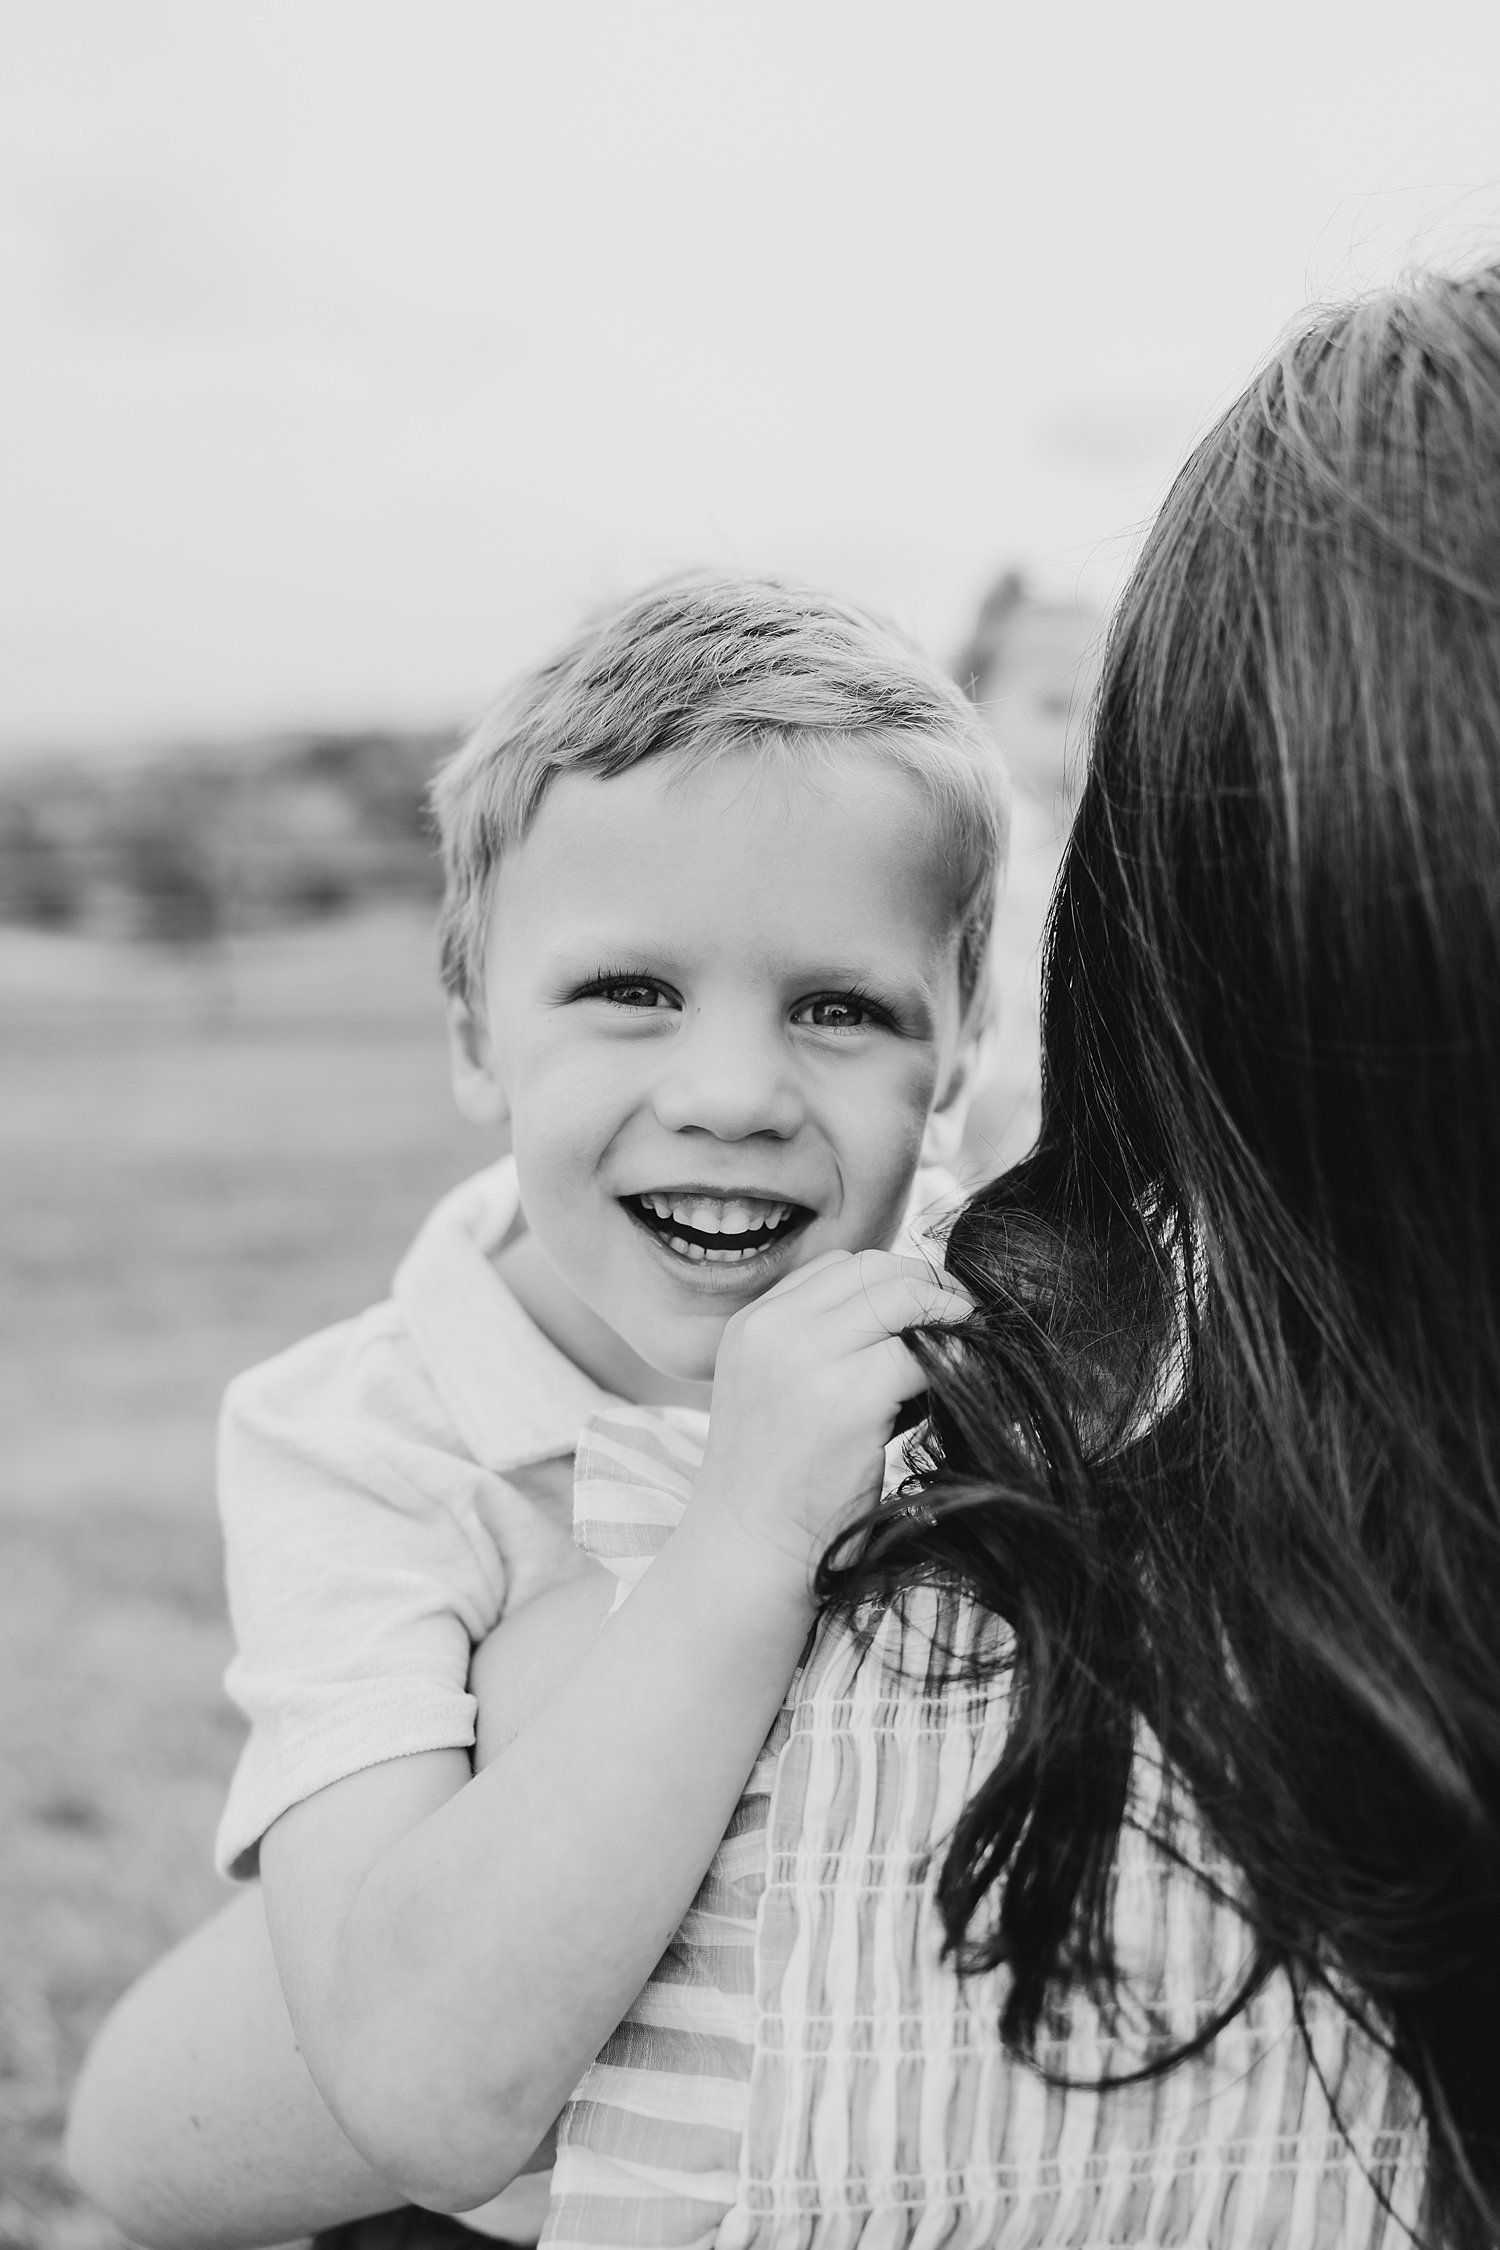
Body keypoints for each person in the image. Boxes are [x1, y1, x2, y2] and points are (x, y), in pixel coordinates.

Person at [66, 572, 1001, 2245]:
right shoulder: (355, 1443)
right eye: (629, 988)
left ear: (959, 1060)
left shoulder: (998, 1345)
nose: (729, 1093)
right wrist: (747, 1534)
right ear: (473, 1036)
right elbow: (415, 2080)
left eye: (840, 1007)